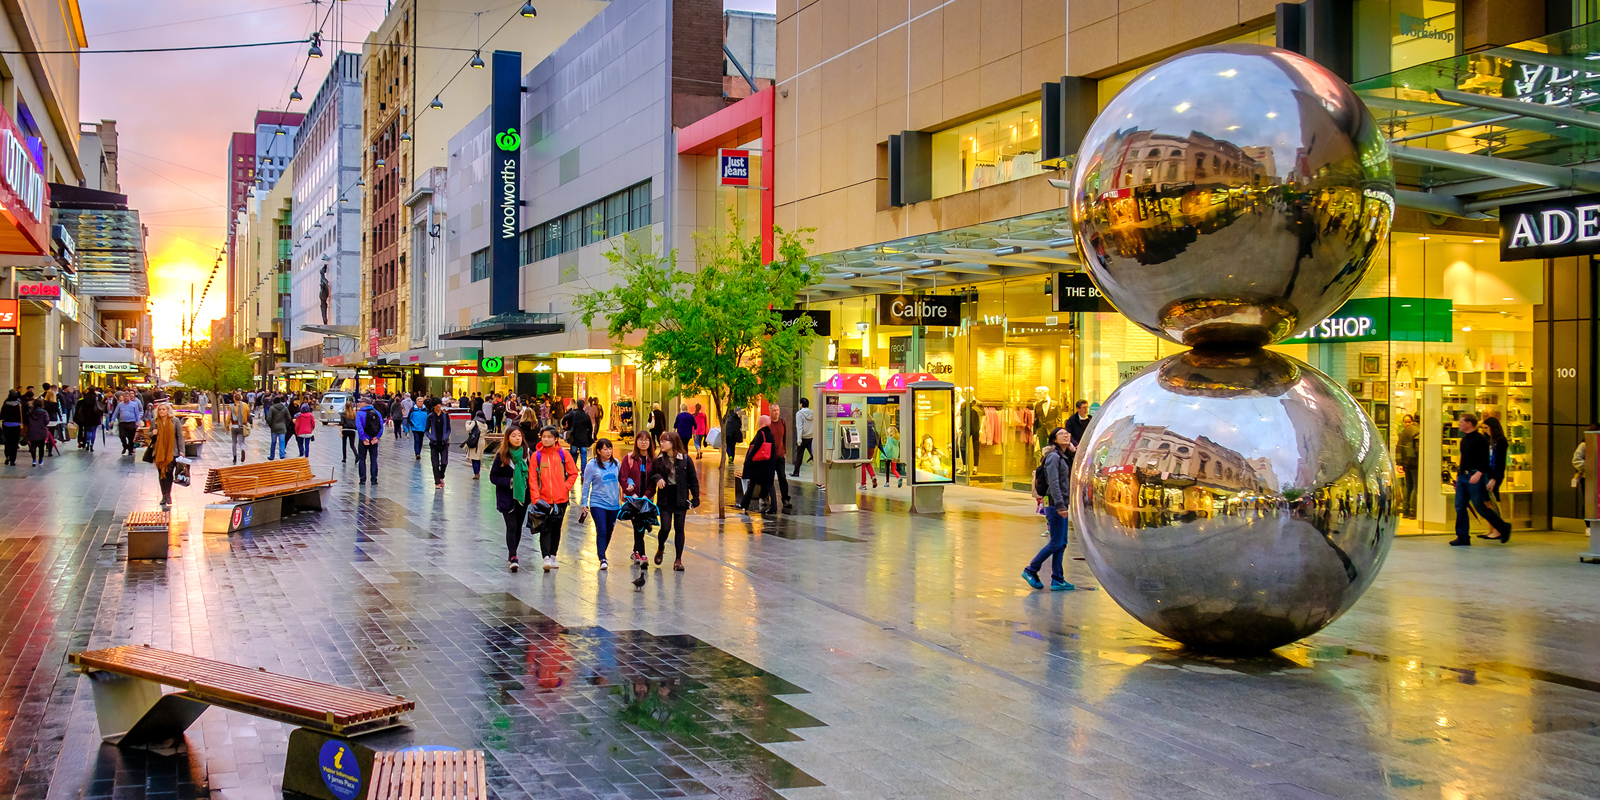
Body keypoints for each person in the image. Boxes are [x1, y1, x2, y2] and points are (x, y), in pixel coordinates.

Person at [1022, 427, 1075, 591]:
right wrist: (1059, 505)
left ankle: (1057, 579)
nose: (1066, 435)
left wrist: (1073, 449)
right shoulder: (1053, 457)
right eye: (1062, 434)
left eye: (1068, 433)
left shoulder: (1064, 456)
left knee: (1062, 543)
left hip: (1061, 504)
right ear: (1053, 439)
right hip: (1054, 504)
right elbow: (1054, 483)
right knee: (1055, 543)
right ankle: (1031, 570)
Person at [1452, 413, 1511, 545]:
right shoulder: (1465, 440)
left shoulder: (1482, 440)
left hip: (1475, 476)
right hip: (1463, 476)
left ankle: (1502, 527)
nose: (1459, 424)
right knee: (1460, 506)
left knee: (1480, 506)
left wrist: (1479, 473)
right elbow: (1464, 460)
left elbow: (1486, 460)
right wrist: (1458, 477)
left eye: (1462, 422)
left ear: (1469, 423)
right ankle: (1462, 536)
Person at [648, 431, 699, 571]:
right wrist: (658, 478)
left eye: (665, 441)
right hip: (665, 497)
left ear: (673, 443)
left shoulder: (685, 459)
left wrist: (695, 497)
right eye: (661, 441)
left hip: (680, 497)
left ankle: (678, 560)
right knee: (665, 527)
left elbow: (693, 479)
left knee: (679, 528)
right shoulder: (659, 459)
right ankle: (661, 546)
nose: (662, 444)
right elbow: (652, 474)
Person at [531, 426, 580, 571]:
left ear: (556, 438)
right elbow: (532, 478)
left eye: (549, 437)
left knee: (557, 528)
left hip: (560, 499)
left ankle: (553, 555)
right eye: (543, 436)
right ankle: (545, 556)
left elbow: (573, 473)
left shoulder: (563, 455)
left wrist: (564, 488)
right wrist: (536, 498)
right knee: (544, 528)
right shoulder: (537, 456)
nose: (546, 439)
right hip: (543, 499)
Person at [489, 427, 532, 572]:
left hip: (523, 496)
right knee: (511, 525)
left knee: (518, 526)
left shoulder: (527, 455)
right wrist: (510, 482)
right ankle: (513, 556)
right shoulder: (502, 455)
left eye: (519, 435)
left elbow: (533, 475)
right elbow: (493, 477)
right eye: (514, 436)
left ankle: (512, 551)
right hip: (507, 496)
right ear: (508, 438)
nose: (517, 438)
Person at [582, 438, 622, 570]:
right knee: (602, 529)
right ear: (598, 451)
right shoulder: (592, 465)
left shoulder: (616, 463)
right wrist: (584, 503)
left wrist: (629, 486)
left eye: (610, 448)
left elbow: (623, 478)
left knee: (609, 531)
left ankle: (602, 551)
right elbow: (586, 484)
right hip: (597, 503)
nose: (608, 451)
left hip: (614, 504)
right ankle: (602, 558)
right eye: (605, 449)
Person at [620, 431, 655, 565]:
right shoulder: (629, 458)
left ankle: (636, 551)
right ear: (636, 442)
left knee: (642, 524)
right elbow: (623, 477)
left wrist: (646, 496)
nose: (643, 442)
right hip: (633, 499)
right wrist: (632, 494)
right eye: (640, 439)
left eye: (646, 440)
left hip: (646, 499)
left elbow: (653, 480)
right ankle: (642, 554)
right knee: (638, 524)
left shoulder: (653, 460)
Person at [149, 402, 186, 508]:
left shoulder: (175, 421)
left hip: (172, 452)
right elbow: (149, 434)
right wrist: (153, 433)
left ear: (168, 410)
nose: (161, 411)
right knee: (161, 474)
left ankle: (168, 495)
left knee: (169, 474)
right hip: (159, 453)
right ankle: (163, 495)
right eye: (160, 410)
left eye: (163, 409)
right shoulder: (154, 421)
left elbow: (179, 437)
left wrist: (182, 451)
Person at [739, 415, 778, 513]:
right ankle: (774, 507)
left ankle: (744, 504)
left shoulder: (761, 434)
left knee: (752, 485)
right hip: (769, 464)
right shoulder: (770, 434)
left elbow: (754, 449)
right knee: (770, 485)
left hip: (759, 465)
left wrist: (748, 461)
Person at [355, 398, 384, 485]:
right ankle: (374, 479)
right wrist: (377, 437)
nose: (359, 403)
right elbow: (381, 426)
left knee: (362, 459)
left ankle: (362, 479)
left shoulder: (360, 414)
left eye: (360, 402)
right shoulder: (377, 413)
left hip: (364, 440)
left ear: (365, 403)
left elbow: (359, 427)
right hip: (373, 439)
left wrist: (363, 438)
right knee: (374, 459)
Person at [768, 405, 792, 510]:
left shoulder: (782, 423)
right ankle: (764, 496)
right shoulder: (767, 424)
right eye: (774, 410)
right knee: (769, 478)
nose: (776, 412)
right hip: (769, 457)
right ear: (770, 411)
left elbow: (784, 437)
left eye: (777, 410)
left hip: (780, 455)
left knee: (782, 477)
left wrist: (784, 450)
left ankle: (785, 499)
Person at [1396, 414, 1419, 518]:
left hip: (1406, 463)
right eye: (1406, 421)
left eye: (1409, 421)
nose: (1407, 423)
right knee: (1415, 486)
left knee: (1407, 486)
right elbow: (1418, 449)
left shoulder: (1403, 432)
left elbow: (1399, 448)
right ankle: (1412, 511)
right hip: (1414, 462)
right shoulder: (1417, 430)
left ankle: (1405, 511)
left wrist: (1400, 462)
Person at [425, 400, 451, 488]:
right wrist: (431, 437)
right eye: (436, 405)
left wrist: (446, 436)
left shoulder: (445, 416)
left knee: (444, 462)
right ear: (433, 406)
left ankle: (441, 476)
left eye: (439, 404)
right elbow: (426, 430)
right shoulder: (430, 416)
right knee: (435, 463)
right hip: (434, 443)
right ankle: (437, 482)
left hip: (444, 443)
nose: (439, 406)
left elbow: (448, 429)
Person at [563, 398, 594, 469]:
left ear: (577, 405)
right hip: (584, 439)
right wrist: (589, 436)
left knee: (573, 454)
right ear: (583, 406)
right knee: (583, 456)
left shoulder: (573, 413)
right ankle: (583, 472)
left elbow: (565, 418)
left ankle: (572, 470)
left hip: (574, 438)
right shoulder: (586, 416)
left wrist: (564, 425)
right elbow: (590, 428)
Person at [464, 404, 490, 479]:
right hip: (482, 442)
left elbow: (468, 429)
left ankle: (476, 474)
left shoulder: (475, 422)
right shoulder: (485, 424)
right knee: (478, 458)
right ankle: (477, 472)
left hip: (475, 442)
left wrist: (467, 423)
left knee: (474, 458)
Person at [791, 398, 814, 477]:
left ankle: (796, 472)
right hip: (811, 437)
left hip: (803, 438)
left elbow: (799, 427)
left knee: (799, 455)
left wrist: (799, 439)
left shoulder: (799, 414)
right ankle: (820, 472)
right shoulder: (813, 413)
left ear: (801, 404)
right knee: (814, 455)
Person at [227, 392, 251, 464]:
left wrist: (227, 426)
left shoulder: (231, 406)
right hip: (242, 426)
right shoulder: (245, 405)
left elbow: (228, 417)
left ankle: (234, 457)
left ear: (234, 399)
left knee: (234, 442)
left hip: (234, 426)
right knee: (242, 441)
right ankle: (243, 449)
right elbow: (248, 414)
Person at [24, 399, 49, 466]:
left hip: (32, 430)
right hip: (42, 431)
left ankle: (34, 460)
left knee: (33, 446)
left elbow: (27, 420)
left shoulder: (31, 412)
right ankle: (40, 460)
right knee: (41, 447)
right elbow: (47, 421)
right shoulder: (44, 412)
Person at [1, 390, 22, 466]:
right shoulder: (19, 404)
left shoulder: (5, 404)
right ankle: (12, 460)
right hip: (16, 426)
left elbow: (1, 416)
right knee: (14, 443)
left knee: (7, 442)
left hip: (6, 425)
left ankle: (8, 456)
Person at [857, 418, 880, 490]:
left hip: (865, 446)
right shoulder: (873, 425)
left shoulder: (863, 425)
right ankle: (873, 477)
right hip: (871, 447)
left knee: (862, 465)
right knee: (867, 463)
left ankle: (863, 484)